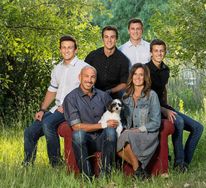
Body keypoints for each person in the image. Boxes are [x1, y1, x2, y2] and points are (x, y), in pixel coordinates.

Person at [22, 35, 88, 167]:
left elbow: (87, 90)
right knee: (29, 131)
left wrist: (68, 105)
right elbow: (52, 90)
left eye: (70, 47)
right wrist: (42, 109)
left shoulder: (84, 67)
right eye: (63, 47)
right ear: (60, 50)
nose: (66, 50)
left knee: (47, 124)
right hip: (56, 109)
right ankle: (27, 165)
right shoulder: (57, 68)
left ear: (76, 50)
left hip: (72, 109)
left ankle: (56, 164)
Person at [146, 39, 204, 172]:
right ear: (151, 53)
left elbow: (163, 89)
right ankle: (179, 164)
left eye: (162, 51)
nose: (159, 53)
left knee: (198, 128)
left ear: (165, 52)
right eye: (156, 51)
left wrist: (167, 106)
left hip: (164, 107)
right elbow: (146, 97)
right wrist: (164, 111)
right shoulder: (146, 70)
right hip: (152, 109)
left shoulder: (166, 69)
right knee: (179, 122)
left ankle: (184, 163)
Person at [63, 66, 118, 178]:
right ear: (80, 77)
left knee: (111, 132)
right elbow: (76, 127)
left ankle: (105, 175)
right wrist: (103, 125)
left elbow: (115, 115)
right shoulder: (71, 98)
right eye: (86, 76)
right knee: (78, 135)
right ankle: (88, 176)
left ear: (96, 79)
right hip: (85, 140)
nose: (89, 80)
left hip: (103, 138)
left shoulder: (103, 96)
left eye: (92, 77)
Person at [117, 63, 161, 178]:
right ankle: (139, 170)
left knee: (126, 136)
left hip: (147, 133)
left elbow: (156, 122)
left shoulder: (152, 95)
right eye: (135, 74)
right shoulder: (125, 96)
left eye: (141, 75)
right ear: (131, 76)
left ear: (145, 77)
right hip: (130, 132)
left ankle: (138, 171)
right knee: (115, 143)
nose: (138, 77)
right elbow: (121, 119)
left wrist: (139, 129)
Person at [85, 25, 129, 99]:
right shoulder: (92, 56)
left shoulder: (123, 59)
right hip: (92, 93)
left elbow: (124, 83)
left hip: (113, 94)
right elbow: (83, 76)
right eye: (106, 37)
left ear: (116, 39)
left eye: (112, 37)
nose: (109, 40)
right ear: (102, 39)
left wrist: (110, 91)